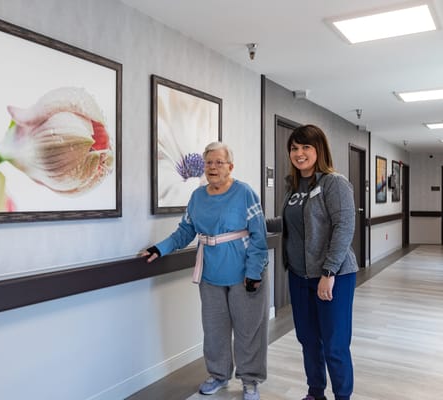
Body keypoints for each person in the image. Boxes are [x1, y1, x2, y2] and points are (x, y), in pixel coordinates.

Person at [141, 142, 269, 400]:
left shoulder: (245, 193)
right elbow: (185, 231)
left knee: (248, 330)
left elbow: (259, 236)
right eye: (208, 162)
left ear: (230, 167)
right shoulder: (197, 197)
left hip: (245, 274)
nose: (212, 167)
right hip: (211, 275)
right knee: (214, 330)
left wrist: (254, 272)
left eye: (218, 162)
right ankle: (219, 375)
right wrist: (160, 248)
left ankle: (250, 380)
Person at [266, 124, 358, 400]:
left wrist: (328, 272)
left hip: (334, 275)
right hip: (299, 275)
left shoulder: (334, 183)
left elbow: (344, 227)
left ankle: (343, 396)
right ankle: (315, 392)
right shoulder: (294, 186)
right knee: (307, 340)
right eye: (294, 148)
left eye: (306, 147)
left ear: (319, 150)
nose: (299, 153)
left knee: (335, 344)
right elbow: (293, 223)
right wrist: (254, 223)